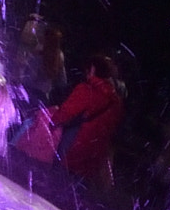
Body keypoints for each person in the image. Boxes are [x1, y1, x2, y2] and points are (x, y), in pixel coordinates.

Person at [48, 53, 125, 185]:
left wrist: (53, 122)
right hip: (95, 151)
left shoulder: (88, 89)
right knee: (76, 187)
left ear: (93, 69)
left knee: (58, 178)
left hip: (75, 142)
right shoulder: (116, 101)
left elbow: (67, 111)